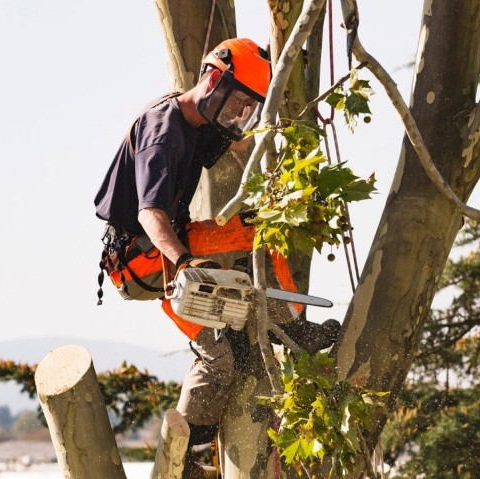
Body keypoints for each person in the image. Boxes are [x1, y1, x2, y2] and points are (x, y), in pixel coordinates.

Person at [93, 38, 339, 477]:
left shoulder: (201, 120)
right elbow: (149, 213)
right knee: (220, 353)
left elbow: (243, 144)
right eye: (239, 101)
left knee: (254, 232)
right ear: (213, 80)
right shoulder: (163, 132)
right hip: (143, 257)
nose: (240, 113)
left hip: (169, 245)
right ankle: (192, 455)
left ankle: (284, 324)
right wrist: (184, 262)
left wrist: (285, 107)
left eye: (249, 105)